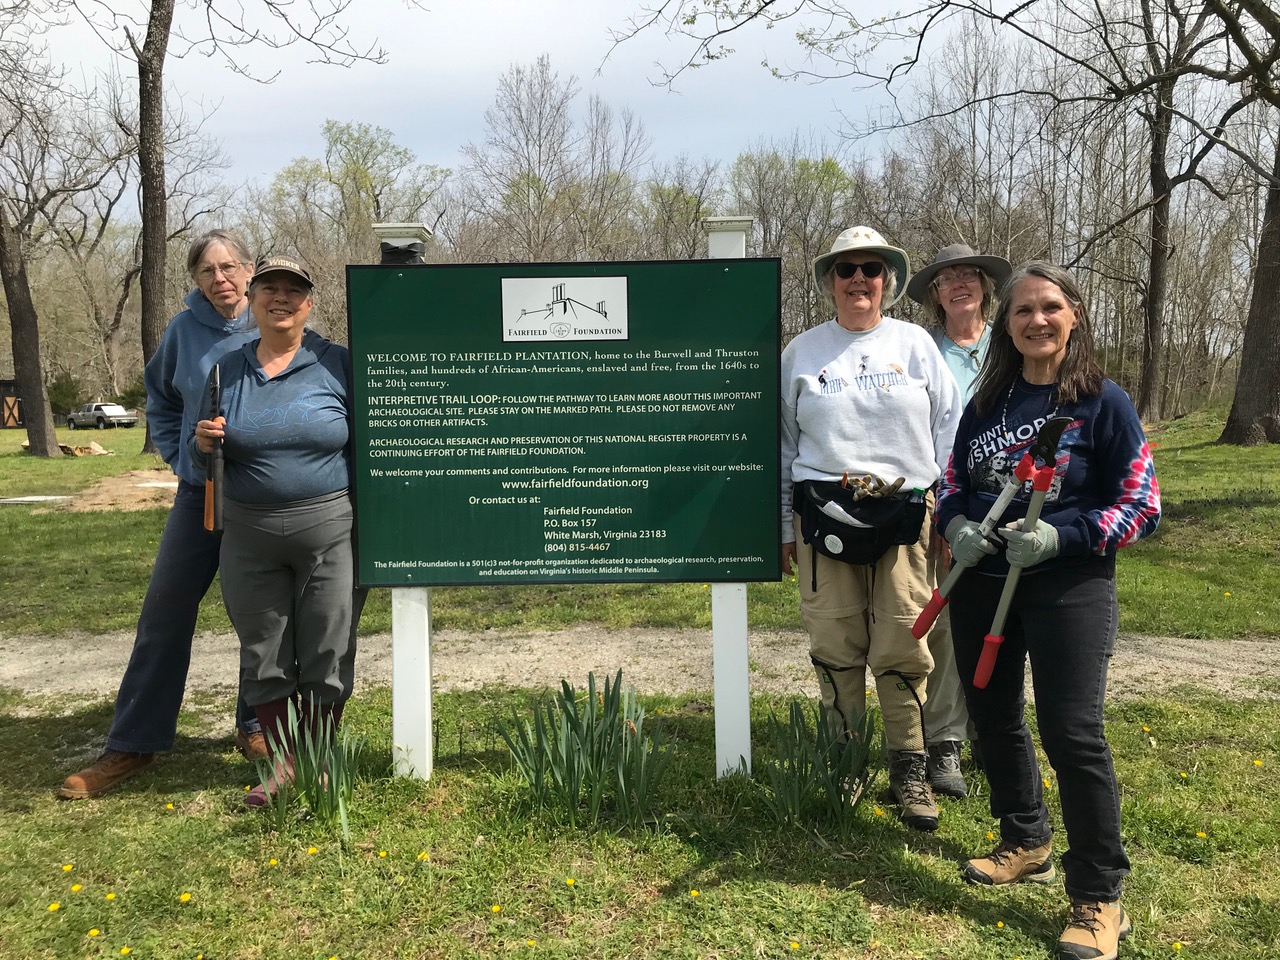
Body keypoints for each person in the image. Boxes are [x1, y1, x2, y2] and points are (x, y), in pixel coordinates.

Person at [936, 261, 1160, 960]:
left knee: (1072, 733)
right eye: (1023, 311)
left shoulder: (1104, 403)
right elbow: (949, 483)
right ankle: (1025, 836)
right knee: (991, 715)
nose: (1037, 320)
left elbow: (1143, 505)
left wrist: (1066, 534)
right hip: (983, 581)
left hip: (1070, 586)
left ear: (1075, 316)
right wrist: (953, 526)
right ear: (1006, 326)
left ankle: (1099, 894)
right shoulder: (987, 405)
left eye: (1050, 308)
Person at [61, 230, 265, 800]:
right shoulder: (182, 332)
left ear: (249, 270)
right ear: (196, 280)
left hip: (257, 498)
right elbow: (162, 398)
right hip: (199, 495)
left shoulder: (272, 316)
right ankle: (133, 743)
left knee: (257, 613)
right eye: (207, 271)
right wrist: (180, 456)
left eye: (229, 267)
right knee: (164, 615)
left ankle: (255, 726)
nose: (220, 279)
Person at [781, 226, 963, 831]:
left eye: (872, 269)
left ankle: (908, 765)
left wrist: (950, 511)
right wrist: (786, 522)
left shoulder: (915, 346)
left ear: (889, 280)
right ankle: (843, 761)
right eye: (846, 269)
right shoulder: (802, 353)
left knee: (903, 640)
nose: (859, 279)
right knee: (835, 643)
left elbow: (950, 433)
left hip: (906, 516)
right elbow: (785, 446)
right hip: (824, 518)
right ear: (829, 281)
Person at [192, 254, 362, 808]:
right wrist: (202, 446)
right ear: (253, 297)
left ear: (310, 303)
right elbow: (202, 467)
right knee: (264, 653)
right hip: (249, 534)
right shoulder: (224, 371)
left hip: (329, 529)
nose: (281, 299)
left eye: (294, 290)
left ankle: (319, 758)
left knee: (327, 650)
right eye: (269, 288)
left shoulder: (337, 364)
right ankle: (286, 765)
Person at [905, 243, 1011, 799]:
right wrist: (945, 510)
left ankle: (993, 735)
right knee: (945, 621)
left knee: (1004, 621)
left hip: (1016, 504)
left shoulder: (1011, 343)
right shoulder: (923, 350)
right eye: (947, 278)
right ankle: (944, 740)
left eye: (970, 274)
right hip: (947, 502)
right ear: (935, 295)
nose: (959, 284)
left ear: (985, 287)